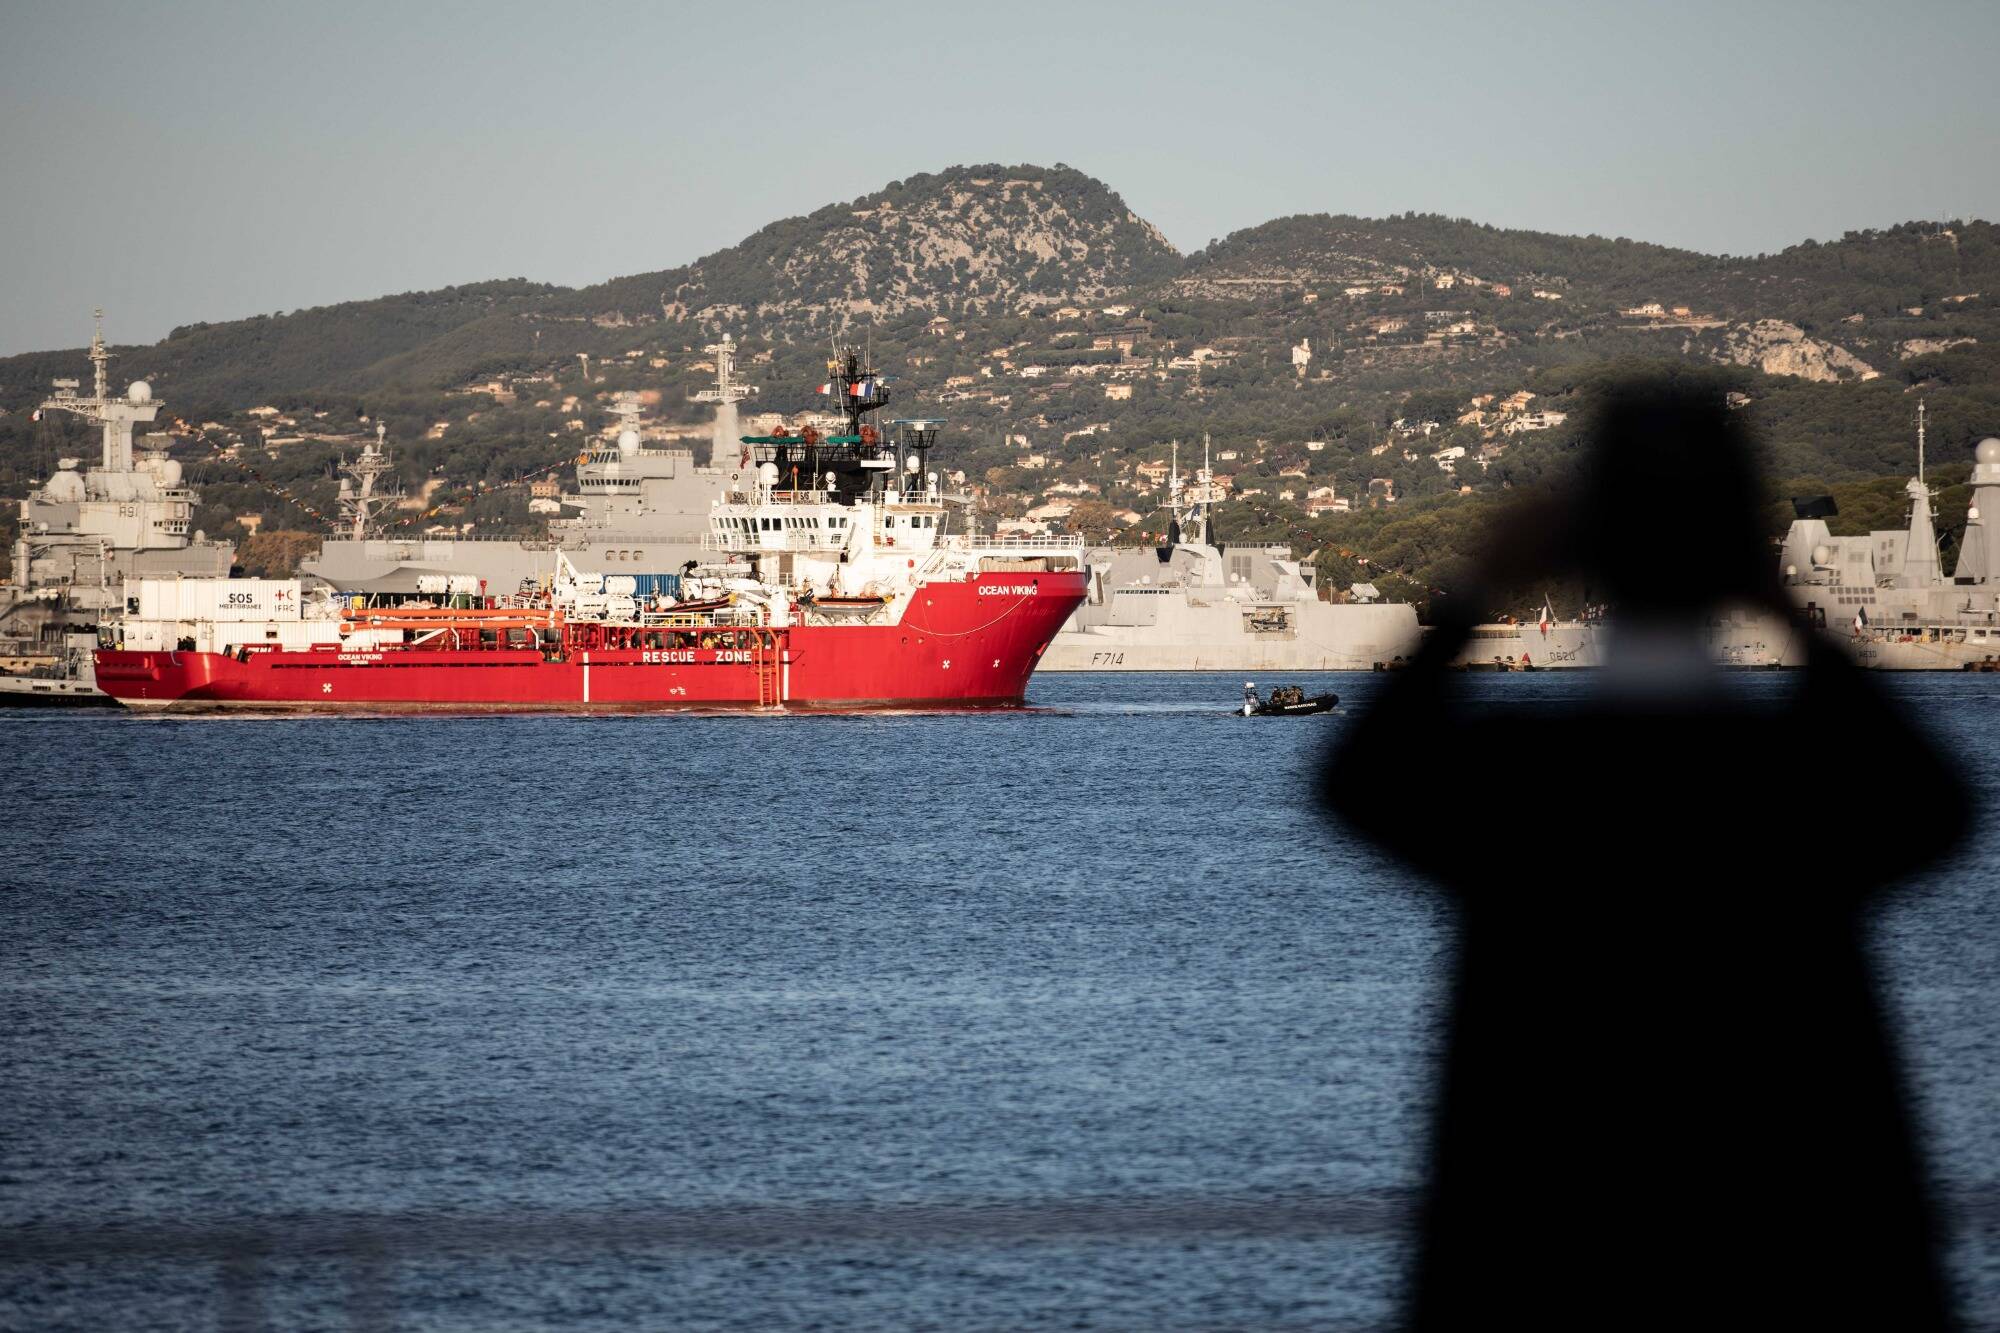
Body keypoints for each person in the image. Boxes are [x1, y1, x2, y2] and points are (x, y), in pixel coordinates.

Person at [1322, 384, 1967, 1331]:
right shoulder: (1800, 790)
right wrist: (1779, 601)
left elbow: (1358, 781)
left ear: (1585, 544)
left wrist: (1477, 590)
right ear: (1733, 555)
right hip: (1809, 1258)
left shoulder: (1520, 785)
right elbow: (1940, 801)